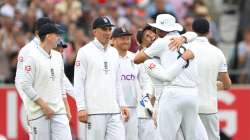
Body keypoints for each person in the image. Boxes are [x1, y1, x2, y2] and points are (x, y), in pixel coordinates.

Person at [134, 14, 201, 140]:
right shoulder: (189, 43)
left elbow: (137, 59)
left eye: (154, 31)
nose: (154, 34)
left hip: (172, 94)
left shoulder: (161, 43)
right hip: (192, 94)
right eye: (148, 36)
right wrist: (184, 37)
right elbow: (195, 34)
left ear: (159, 30)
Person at [74, 16, 129, 140]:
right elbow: (78, 82)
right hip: (94, 111)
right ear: (94, 32)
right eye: (104, 29)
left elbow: (117, 82)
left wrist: (122, 104)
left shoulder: (114, 52)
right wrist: (81, 108)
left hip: (114, 111)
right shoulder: (84, 52)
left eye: (109, 29)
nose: (108, 32)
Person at [20, 23, 72, 140]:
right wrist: (44, 106)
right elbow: (25, 85)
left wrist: (66, 108)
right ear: (48, 36)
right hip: (39, 113)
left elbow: (60, 84)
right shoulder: (32, 57)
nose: (59, 38)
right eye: (57, 35)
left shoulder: (58, 56)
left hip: (59, 111)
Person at [192, 18, 231, 140]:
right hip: (209, 107)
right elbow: (227, 84)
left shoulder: (186, 49)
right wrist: (216, 84)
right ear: (209, 31)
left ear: (192, 30)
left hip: (189, 106)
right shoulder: (217, 52)